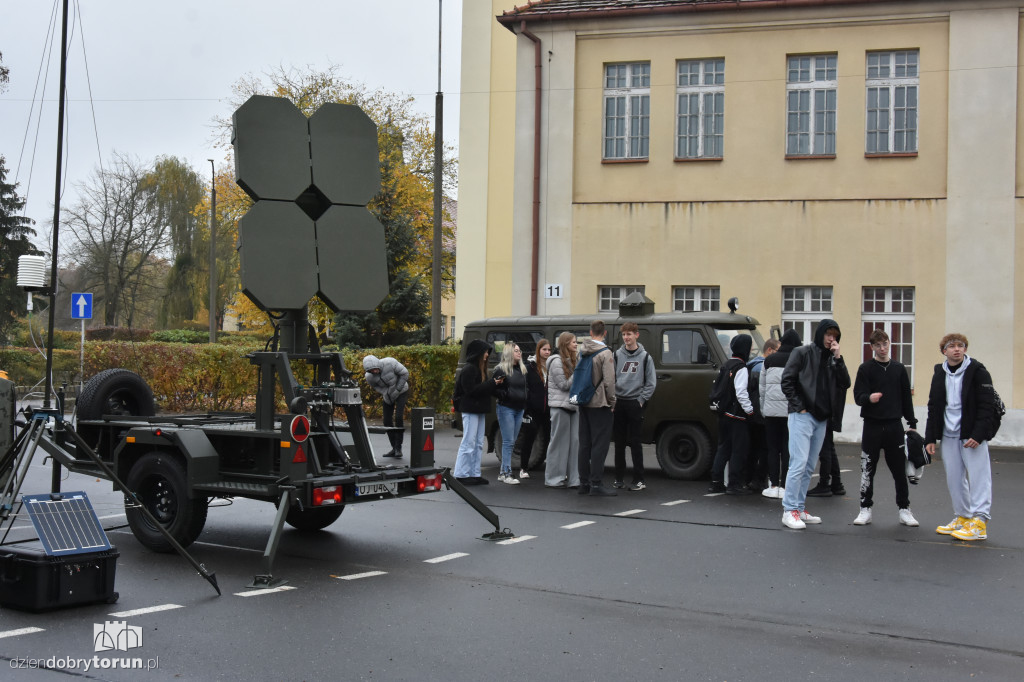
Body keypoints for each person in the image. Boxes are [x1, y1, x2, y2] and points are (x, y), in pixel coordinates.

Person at [925, 334, 998, 541]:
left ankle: (980, 521)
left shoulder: (978, 371)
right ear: (944, 351)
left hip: (971, 435)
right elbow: (934, 406)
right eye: (952, 346)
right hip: (949, 434)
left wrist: (979, 434)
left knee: (978, 477)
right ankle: (964, 517)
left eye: (961, 346)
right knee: (954, 478)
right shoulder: (939, 373)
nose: (957, 349)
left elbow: (987, 406)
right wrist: (930, 437)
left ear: (965, 349)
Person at [780, 319, 850, 529]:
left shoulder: (833, 359)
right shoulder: (802, 353)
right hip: (802, 415)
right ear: (820, 334)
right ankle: (789, 509)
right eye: (828, 334)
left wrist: (838, 358)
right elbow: (787, 380)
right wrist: (799, 406)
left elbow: (845, 383)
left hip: (822, 418)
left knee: (809, 465)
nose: (831, 339)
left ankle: (799, 508)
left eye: (835, 336)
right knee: (798, 463)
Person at [852, 329, 919, 527]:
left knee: (899, 470)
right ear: (872, 347)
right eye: (878, 345)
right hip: (872, 425)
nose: (882, 348)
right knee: (867, 469)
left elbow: (906, 397)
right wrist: (868, 398)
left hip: (894, 426)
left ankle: (904, 509)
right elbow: (858, 396)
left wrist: (912, 422)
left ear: (890, 344)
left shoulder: (899, 368)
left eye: (885, 344)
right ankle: (865, 509)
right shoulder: (865, 369)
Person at [708, 334, 755, 495]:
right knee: (738, 450)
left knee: (723, 448)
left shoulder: (726, 364)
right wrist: (750, 410)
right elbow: (741, 392)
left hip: (723, 413)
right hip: (737, 416)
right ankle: (733, 484)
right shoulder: (741, 368)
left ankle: (716, 481)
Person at [612, 322, 656, 491]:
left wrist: (640, 400)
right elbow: (611, 378)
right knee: (619, 443)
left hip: (635, 403)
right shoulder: (616, 355)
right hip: (619, 402)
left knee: (636, 442)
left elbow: (651, 383)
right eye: (624, 334)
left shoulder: (645, 357)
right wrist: (614, 399)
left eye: (629, 334)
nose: (626, 337)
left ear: (637, 335)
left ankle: (639, 479)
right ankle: (618, 478)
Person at [760, 329, 801, 499]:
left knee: (772, 449)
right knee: (787, 450)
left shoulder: (769, 360)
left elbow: (762, 388)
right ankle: (785, 486)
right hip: (791, 412)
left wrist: (763, 408)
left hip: (770, 413)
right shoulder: (798, 359)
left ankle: (773, 485)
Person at [577, 320, 617, 497]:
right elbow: (609, 381)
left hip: (583, 401)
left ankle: (583, 483)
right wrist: (613, 401)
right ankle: (596, 483)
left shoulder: (583, 352)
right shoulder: (605, 353)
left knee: (584, 444)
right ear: (605, 333)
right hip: (600, 402)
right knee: (599, 444)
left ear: (590, 333)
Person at [453, 340, 500, 485]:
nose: (487, 355)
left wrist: (493, 384)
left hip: (478, 410)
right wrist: (492, 383)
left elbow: (479, 389)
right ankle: (461, 474)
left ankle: (474, 473)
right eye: (485, 352)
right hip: (471, 409)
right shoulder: (469, 369)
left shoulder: (478, 369)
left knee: (478, 442)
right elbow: (471, 391)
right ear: (478, 353)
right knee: (469, 442)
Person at [545, 332, 580, 489]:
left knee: (575, 443)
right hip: (560, 407)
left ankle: (575, 479)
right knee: (559, 444)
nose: (576, 344)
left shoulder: (572, 360)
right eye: (573, 342)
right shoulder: (556, 362)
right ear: (565, 344)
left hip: (573, 405)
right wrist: (578, 372)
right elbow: (564, 385)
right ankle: (554, 479)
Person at [514, 338, 551, 479]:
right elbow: (526, 389)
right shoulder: (530, 368)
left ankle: (551, 469)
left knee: (549, 439)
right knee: (529, 438)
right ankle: (523, 468)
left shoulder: (552, 366)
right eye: (544, 349)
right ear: (538, 350)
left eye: (549, 350)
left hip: (548, 409)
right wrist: (527, 408)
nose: (547, 352)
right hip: (533, 410)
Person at [744, 338, 779, 491]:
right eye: (778, 351)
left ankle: (749, 478)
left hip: (753, 414)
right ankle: (758, 480)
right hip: (763, 415)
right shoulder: (762, 368)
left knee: (753, 448)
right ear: (769, 351)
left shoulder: (752, 366)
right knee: (765, 448)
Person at [492, 343, 528, 485]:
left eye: (520, 351)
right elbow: (494, 388)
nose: (519, 353)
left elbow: (526, 388)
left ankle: (503, 472)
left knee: (511, 441)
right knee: (508, 442)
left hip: (519, 409)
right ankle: (506, 473)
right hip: (506, 408)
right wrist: (505, 395)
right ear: (509, 353)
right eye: (516, 351)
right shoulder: (501, 369)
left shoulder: (522, 369)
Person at [363, 355, 410, 458]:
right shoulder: (369, 376)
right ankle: (394, 448)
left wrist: (397, 390)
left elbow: (405, 373)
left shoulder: (390, 362)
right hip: (388, 396)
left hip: (401, 391)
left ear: (378, 364)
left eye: (375, 369)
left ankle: (398, 448)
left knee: (398, 418)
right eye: (371, 371)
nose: (374, 371)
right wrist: (387, 393)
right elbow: (375, 386)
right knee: (387, 421)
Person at [807, 428, 845, 497]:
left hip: (825, 419)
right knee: (829, 446)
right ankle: (836, 483)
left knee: (825, 447)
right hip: (830, 419)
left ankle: (824, 484)